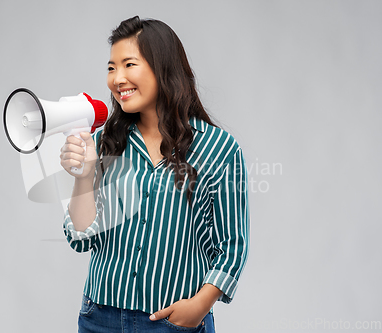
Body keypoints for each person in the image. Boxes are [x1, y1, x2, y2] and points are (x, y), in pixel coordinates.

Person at [60, 16, 249, 333]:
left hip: (172, 323)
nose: (117, 79)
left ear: (163, 68)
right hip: (99, 319)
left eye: (128, 65)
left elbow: (232, 246)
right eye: (111, 68)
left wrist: (198, 308)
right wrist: (83, 175)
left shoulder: (220, 149)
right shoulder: (102, 143)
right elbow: (80, 239)